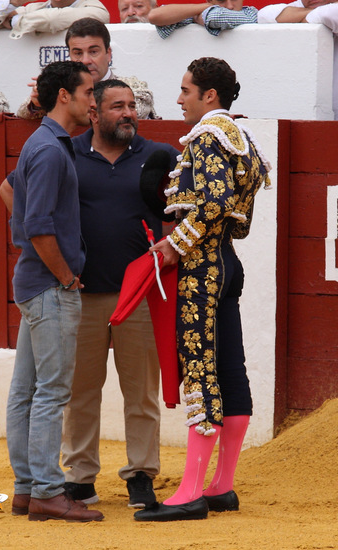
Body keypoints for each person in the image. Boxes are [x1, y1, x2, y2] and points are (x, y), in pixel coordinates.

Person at [134, 57, 271, 522]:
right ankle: (221, 486)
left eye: (186, 90)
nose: (179, 99)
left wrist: (177, 244)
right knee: (230, 367)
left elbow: (212, 204)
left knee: (201, 368)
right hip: (228, 261)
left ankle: (190, 492)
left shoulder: (208, 138)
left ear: (208, 96)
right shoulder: (243, 139)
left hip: (201, 268)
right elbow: (240, 216)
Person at [61, 79, 178, 508]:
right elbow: (14, 191)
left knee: (141, 391)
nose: (128, 113)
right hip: (83, 292)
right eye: (117, 107)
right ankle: (79, 476)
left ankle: (141, 474)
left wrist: (174, 243)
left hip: (141, 292)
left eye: (132, 106)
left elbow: (195, 206)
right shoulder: (67, 152)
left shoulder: (160, 155)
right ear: (94, 113)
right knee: (80, 391)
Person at [5, 60, 103, 522]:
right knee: (51, 392)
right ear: (64, 95)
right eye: (88, 92)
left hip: (34, 281)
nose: (93, 100)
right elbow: (40, 227)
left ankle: (27, 488)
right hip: (48, 285)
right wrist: (66, 276)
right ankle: (46, 489)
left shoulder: (43, 144)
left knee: (27, 390)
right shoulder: (49, 150)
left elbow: (9, 193)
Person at [17, 17, 158, 119]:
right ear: (70, 56)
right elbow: (22, 113)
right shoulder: (62, 89)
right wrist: (39, 102)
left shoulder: (134, 87)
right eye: (78, 53)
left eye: (93, 52)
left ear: (108, 54)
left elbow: (135, 111)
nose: (85, 61)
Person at [258, 0, 338, 119]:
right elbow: (264, 15)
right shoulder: (301, 6)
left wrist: (298, 17)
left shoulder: (296, 12)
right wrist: (313, 15)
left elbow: (331, 13)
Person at [0, 0, 109, 40]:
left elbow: (53, 19)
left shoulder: (95, 8)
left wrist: (15, 21)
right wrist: (13, 2)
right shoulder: (34, 8)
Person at [148, 0, 258, 38]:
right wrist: (205, 8)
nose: (229, 6)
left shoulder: (251, 13)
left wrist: (198, 16)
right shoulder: (201, 13)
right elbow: (155, 16)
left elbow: (216, 18)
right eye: (221, 0)